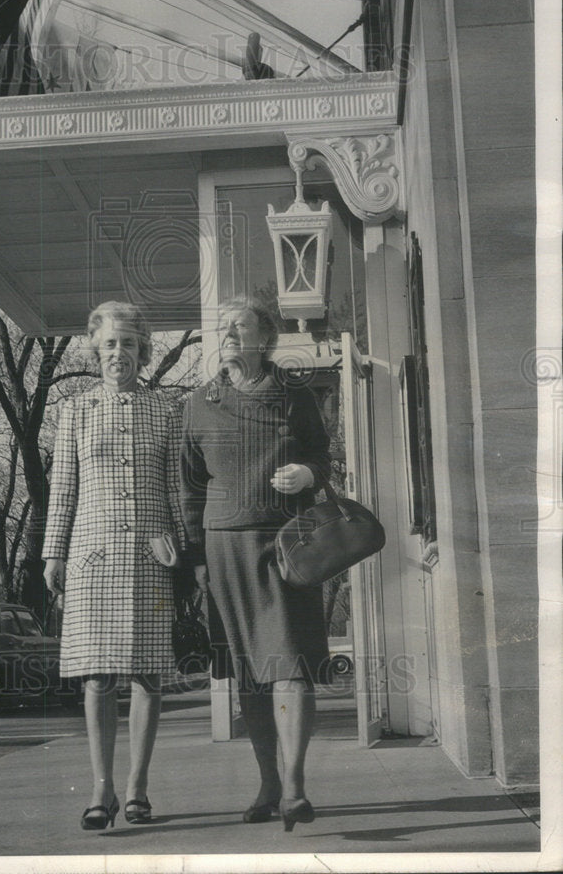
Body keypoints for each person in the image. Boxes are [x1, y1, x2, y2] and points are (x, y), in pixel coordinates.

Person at [179, 296, 331, 833]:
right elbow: (190, 487)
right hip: (225, 550)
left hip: (286, 545)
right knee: (249, 671)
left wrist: (307, 475)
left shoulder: (294, 393)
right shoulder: (199, 403)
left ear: (264, 337)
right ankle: (268, 782)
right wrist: (195, 558)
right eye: (221, 326)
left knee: (290, 663)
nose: (227, 333)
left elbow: (321, 455)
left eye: (238, 326)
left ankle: (294, 786)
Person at [43, 300, 185, 831]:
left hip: (151, 556)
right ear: (95, 350)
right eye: (109, 343)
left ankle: (137, 787)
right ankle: (100, 788)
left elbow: (176, 488)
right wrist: (53, 553)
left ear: (142, 351)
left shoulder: (166, 410)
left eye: (128, 343)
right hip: (92, 557)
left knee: (149, 674)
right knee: (97, 676)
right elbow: (63, 488)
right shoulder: (74, 410)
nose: (118, 352)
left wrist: (186, 552)